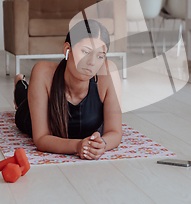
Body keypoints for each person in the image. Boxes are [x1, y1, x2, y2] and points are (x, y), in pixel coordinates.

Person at [13, 19, 123, 160]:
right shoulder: (43, 72)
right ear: (67, 50)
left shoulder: (108, 73)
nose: (92, 62)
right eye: (85, 51)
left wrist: (102, 145)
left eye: (100, 56)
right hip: (28, 113)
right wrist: (78, 146)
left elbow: (114, 131)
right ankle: (19, 82)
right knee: (24, 96)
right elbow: (41, 139)